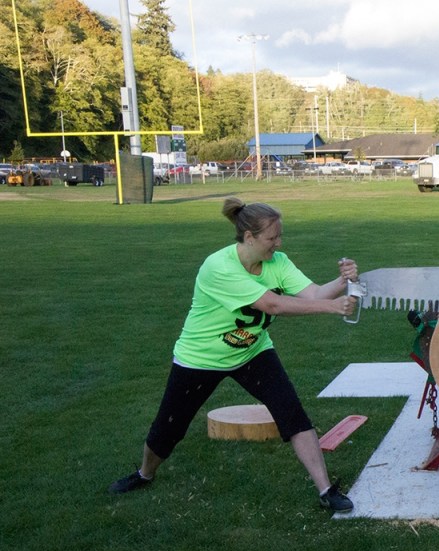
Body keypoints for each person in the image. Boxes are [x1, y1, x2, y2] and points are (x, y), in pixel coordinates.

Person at [108, 197, 360, 516]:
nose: (278, 244)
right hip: (200, 358)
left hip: (253, 351)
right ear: (250, 238)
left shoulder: (277, 262)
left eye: (280, 236)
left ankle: (326, 490)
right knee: (168, 429)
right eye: (272, 238)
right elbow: (272, 305)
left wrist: (342, 282)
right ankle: (145, 473)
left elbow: (312, 294)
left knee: (292, 413)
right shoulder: (219, 267)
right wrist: (331, 308)